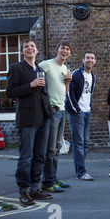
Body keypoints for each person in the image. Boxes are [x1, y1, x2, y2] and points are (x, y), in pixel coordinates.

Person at [6, 39, 53, 205]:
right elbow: (10, 92)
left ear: (37, 50)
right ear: (22, 51)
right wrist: (30, 85)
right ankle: (24, 192)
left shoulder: (40, 69)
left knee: (40, 155)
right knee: (26, 156)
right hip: (27, 118)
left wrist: (49, 110)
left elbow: (44, 93)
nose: (29, 48)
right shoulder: (16, 68)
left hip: (44, 117)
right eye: (26, 46)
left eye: (32, 46)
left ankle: (35, 188)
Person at [39, 41, 72, 193]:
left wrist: (68, 82)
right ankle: (47, 182)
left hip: (61, 109)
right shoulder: (46, 64)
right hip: (51, 110)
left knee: (58, 148)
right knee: (50, 148)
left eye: (67, 49)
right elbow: (37, 80)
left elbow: (65, 92)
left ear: (69, 53)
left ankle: (53, 178)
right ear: (57, 50)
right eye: (62, 48)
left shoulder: (65, 68)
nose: (64, 51)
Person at [65, 51, 97, 181]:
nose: (90, 60)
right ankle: (81, 172)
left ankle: (80, 169)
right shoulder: (76, 74)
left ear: (94, 61)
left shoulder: (92, 76)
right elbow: (69, 93)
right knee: (79, 143)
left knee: (85, 143)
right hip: (76, 112)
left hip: (86, 112)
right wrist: (76, 109)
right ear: (83, 60)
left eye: (92, 58)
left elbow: (89, 94)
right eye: (87, 58)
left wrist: (89, 107)